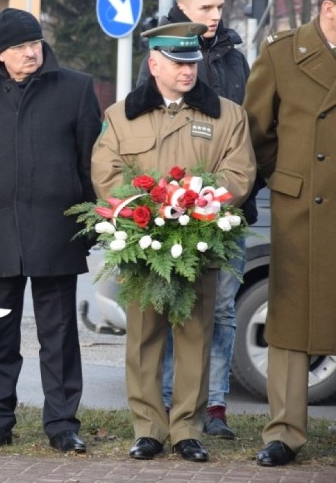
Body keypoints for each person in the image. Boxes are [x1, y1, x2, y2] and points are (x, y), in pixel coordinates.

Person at [92, 23, 255, 463]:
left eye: (192, 63)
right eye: (178, 63)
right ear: (154, 64)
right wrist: (147, 211)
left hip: (197, 242)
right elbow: (106, 173)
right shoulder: (122, 115)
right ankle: (148, 428)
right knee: (143, 338)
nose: (188, 71)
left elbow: (238, 174)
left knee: (196, 337)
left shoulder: (227, 115)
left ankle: (186, 428)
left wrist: (193, 207)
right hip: (145, 243)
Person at [0, 8, 100, 454]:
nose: (30, 52)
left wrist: (86, 217)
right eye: (18, 47)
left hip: (57, 230)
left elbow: (91, 158)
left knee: (58, 336)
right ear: (0, 53)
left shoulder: (75, 87)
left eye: (34, 42)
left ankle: (62, 423)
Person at [136, 0, 254, 439]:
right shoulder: (162, 50)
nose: (215, 16)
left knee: (223, 309)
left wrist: (231, 193)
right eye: (205, 7)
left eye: (220, 7)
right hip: (171, 210)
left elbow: (248, 130)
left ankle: (216, 406)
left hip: (227, 207)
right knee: (173, 305)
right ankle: (169, 403)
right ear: (183, 7)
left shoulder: (235, 59)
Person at [243, 0, 336, 468]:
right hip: (302, 210)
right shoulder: (282, 54)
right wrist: (288, 179)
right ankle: (284, 432)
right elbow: (257, 134)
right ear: (329, 8)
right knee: (291, 320)